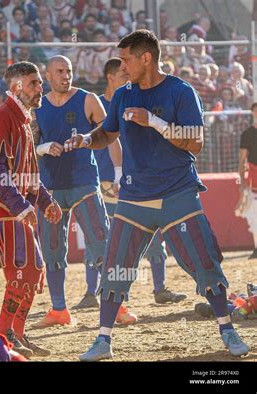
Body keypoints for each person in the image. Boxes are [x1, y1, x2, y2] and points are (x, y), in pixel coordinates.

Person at [63, 30, 249, 360]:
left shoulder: (181, 91)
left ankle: (228, 330)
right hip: (134, 198)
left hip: (178, 192)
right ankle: (104, 340)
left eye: (126, 59)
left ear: (146, 58)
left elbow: (195, 142)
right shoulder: (122, 94)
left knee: (205, 263)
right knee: (115, 268)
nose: (122, 66)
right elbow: (107, 132)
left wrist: (156, 123)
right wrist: (86, 140)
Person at [32, 55, 135, 328]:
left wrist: (118, 173)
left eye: (68, 71)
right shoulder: (37, 105)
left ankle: (117, 305)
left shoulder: (88, 99)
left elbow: (110, 135)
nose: (65, 75)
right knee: (52, 248)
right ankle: (58, 310)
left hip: (85, 183)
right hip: (51, 186)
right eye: (59, 71)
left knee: (101, 242)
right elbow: (29, 146)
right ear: (47, 75)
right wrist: (43, 148)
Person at [0, 61, 62, 358]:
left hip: (17, 206)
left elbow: (30, 174)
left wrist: (45, 200)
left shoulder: (24, 119)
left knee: (34, 269)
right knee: (22, 269)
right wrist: (21, 205)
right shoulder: (1, 117)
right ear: (16, 87)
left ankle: (16, 334)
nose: (40, 89)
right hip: (1, 206)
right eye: (34, 83)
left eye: (39, 83)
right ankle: (1, 335)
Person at [97, 57, 187, 305]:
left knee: (154, 239)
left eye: (128, 75)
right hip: (106, 183)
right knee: (108, 242)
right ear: (110, 77)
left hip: (138, 183)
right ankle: (99, 293)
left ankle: (160, 289)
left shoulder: (136, 101)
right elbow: (101, 141)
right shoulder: (97, 104)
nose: (128, 79)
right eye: (122, 76)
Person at [236, 102, 257, 260]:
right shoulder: (247, 134)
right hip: (255, 177)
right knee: (254, 215)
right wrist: (242, 182)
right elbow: (242, 159)